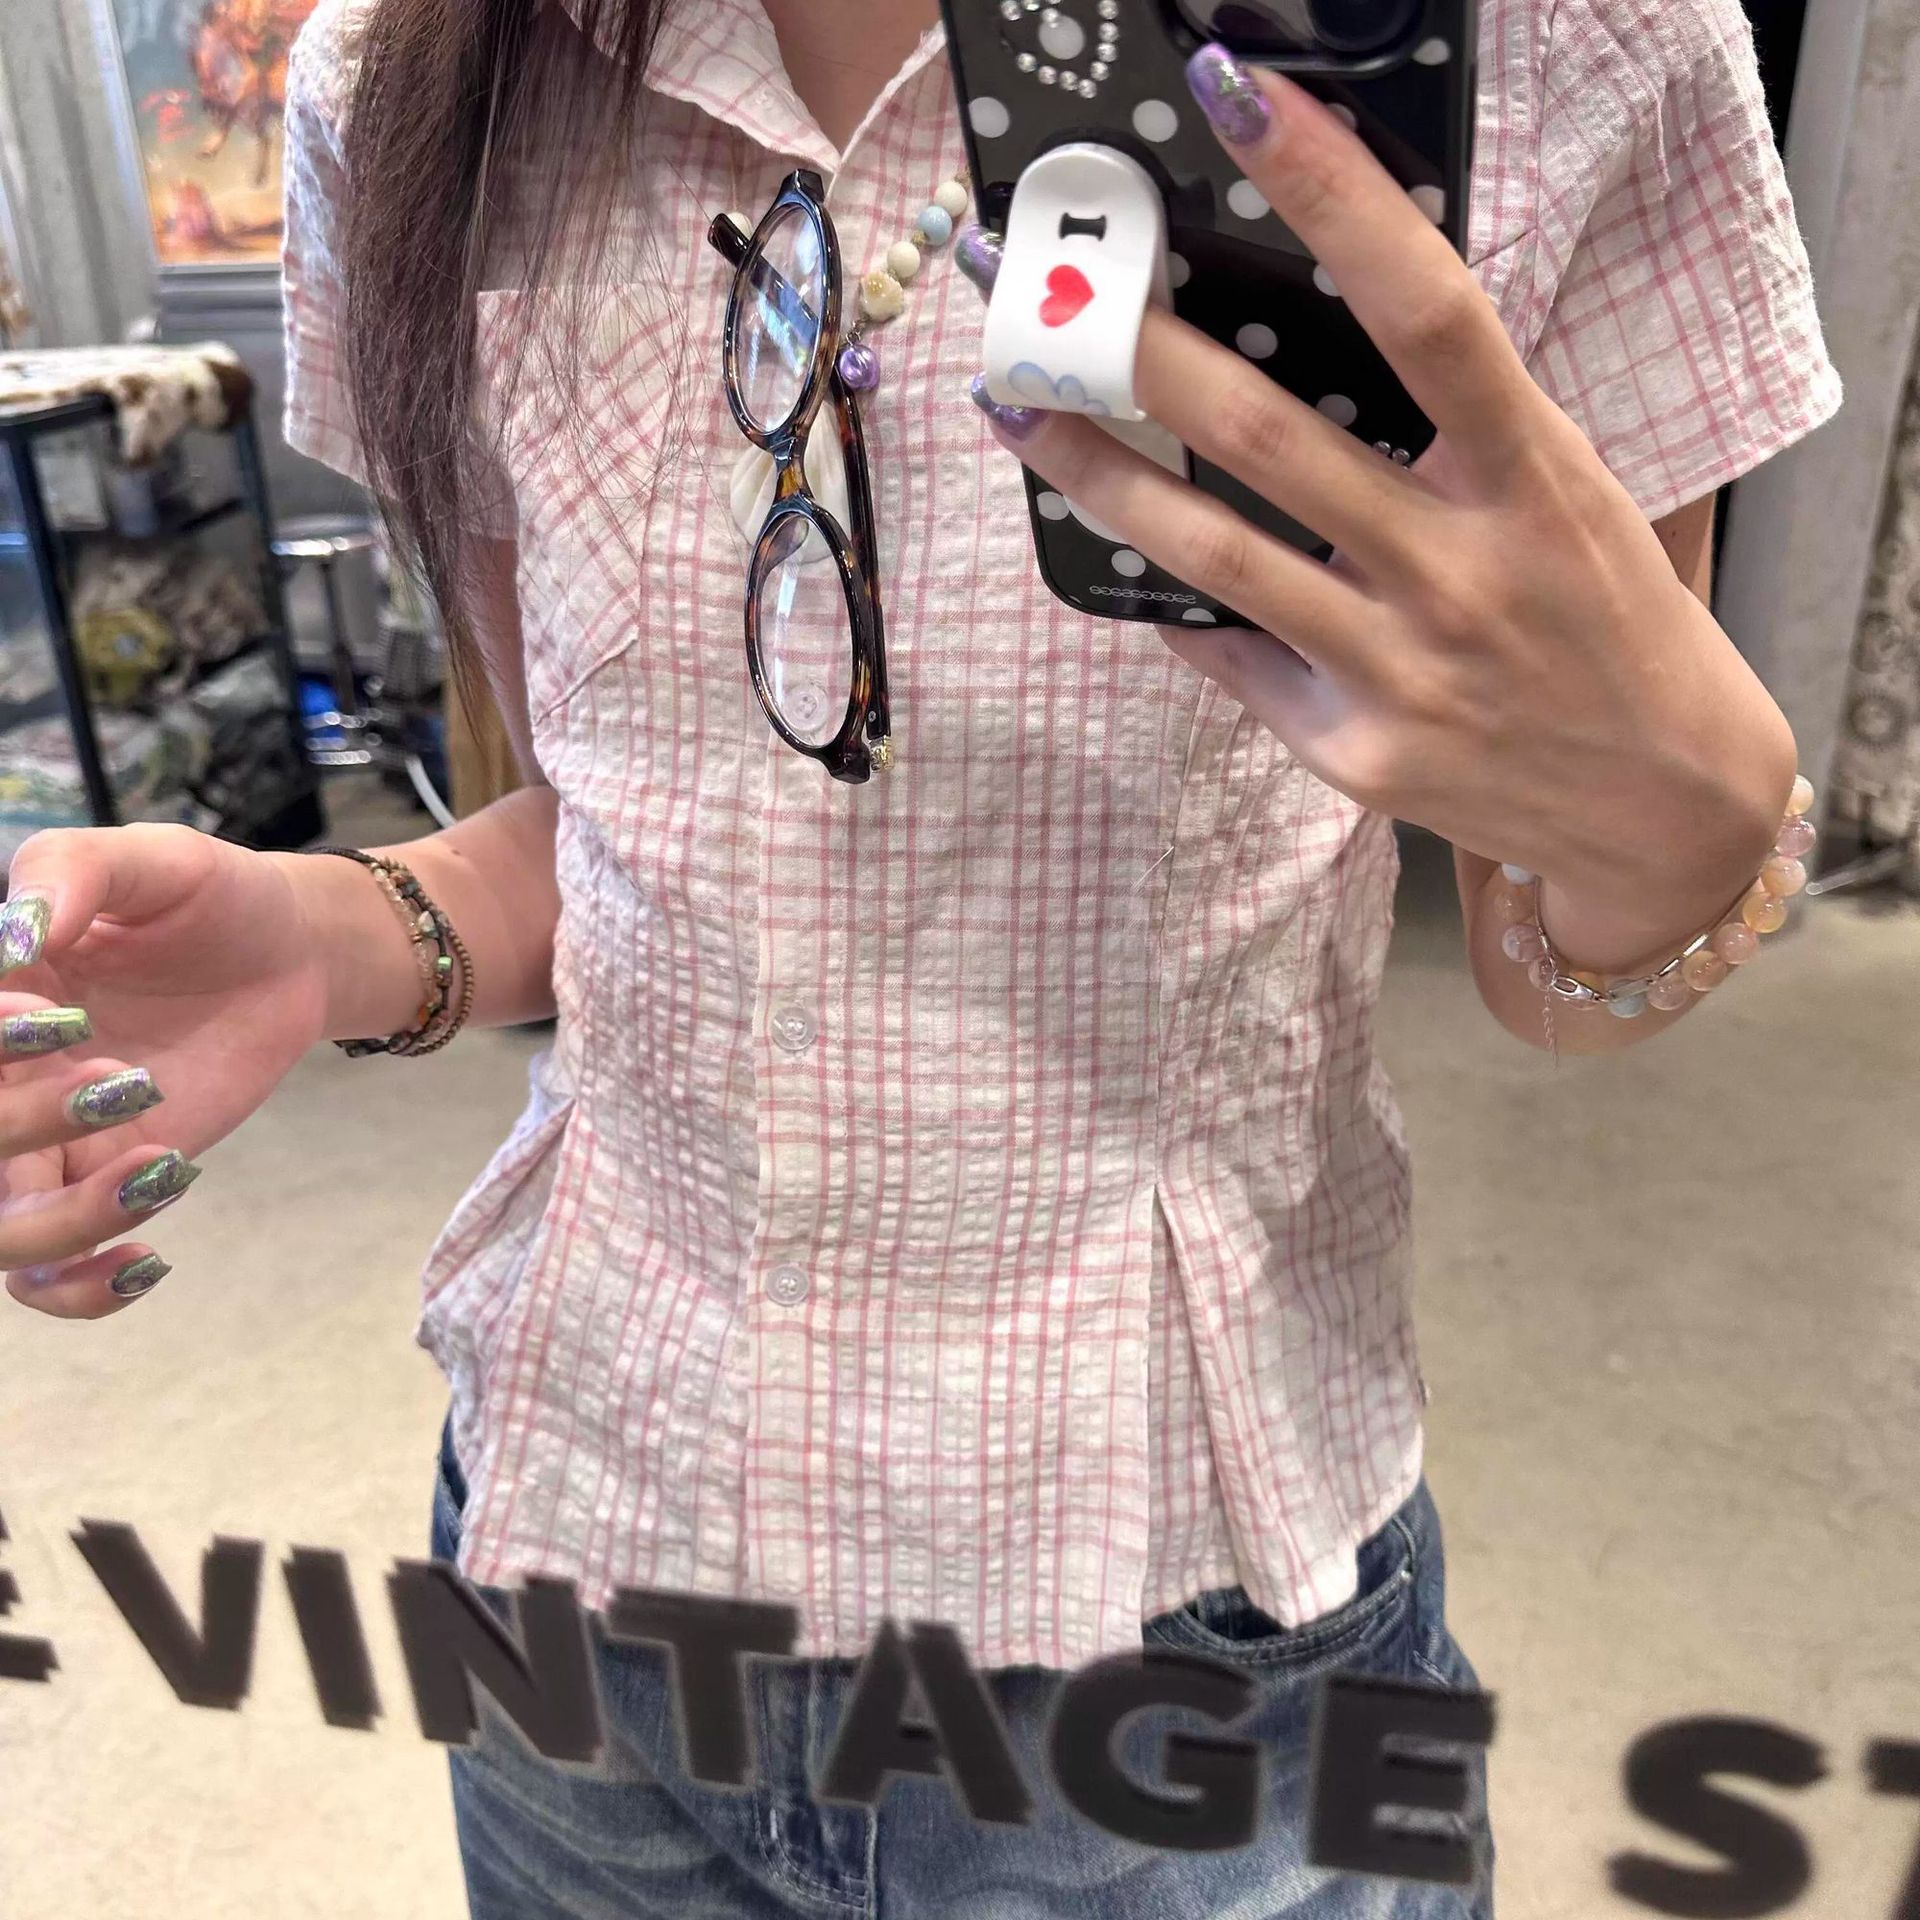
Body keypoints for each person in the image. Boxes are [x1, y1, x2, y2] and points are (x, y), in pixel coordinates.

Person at [0, 0, 1840, 1912]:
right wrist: (337, 931)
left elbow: (1555, 945)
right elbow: (624, 830)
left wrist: (1679, 834)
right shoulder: (408, 81)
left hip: (1184, 1649)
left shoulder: (1565, 43)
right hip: (580, 1584)